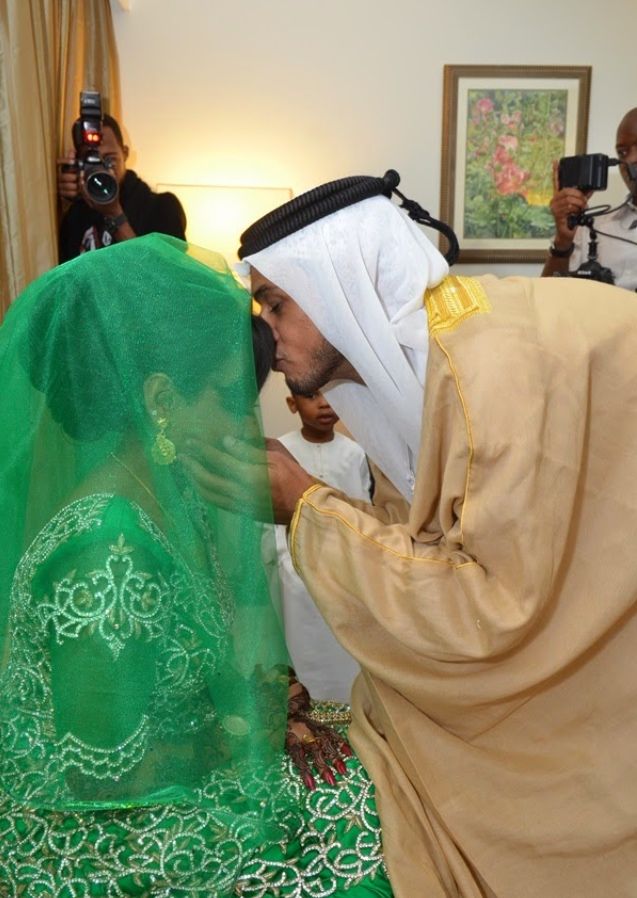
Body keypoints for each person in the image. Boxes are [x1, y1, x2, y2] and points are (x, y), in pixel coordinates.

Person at [183, 171, 637, 897]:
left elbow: (492, 612)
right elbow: (425, 549)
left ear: (341, 283)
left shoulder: (490, 370)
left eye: (274, 302)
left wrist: (305, 506)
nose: (264, 332)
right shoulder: (416, 373)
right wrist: (316, 501)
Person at [0, 233, 392, 897]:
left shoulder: (167, 496)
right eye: (230, 396)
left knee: (376, 757)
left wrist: (261, 697)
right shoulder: (106, 544)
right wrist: (242, 728)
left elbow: (178, 676)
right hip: (106, 842)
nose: (246, 422)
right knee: (376, 824)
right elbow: (100, 772)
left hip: (169, 791)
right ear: (160, 400)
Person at [275, 389, 371, 702]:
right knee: (303, 640)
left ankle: (350, 704)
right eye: (311, 396)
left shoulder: (354, 453)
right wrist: (286, 562)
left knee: (346, 642)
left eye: (330, 395)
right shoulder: (282, 451)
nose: (324, 403)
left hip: (345, 566)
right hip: (293, 568)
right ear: (292, 404)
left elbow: (361, 509)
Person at [57, 113, 186, 262]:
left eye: (109, 159)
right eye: (93, 161)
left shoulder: (162, 207)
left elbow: (165, 280)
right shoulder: (76, 215)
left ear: (125, 153)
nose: (103, 169)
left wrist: (115, 215)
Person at [541, 106, 637, 288]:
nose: (630, 159)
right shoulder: (592, 228)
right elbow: (549, 297)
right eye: (622, 152)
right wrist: (562, 242)